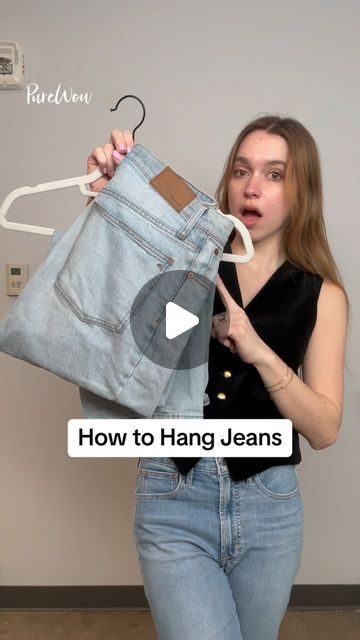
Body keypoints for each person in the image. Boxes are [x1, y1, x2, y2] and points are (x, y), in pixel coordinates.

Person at [86, 116, 349, 640]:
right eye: (241, 170)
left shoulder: (322, 295)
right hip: (173, 492)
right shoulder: (185, 264)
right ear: (227, 182)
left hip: (270, 508)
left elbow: (324, 429)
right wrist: (106, 204)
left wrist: (259, 351)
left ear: (303, 191)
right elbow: (113, 329)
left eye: (276, 175)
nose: (253, 187)